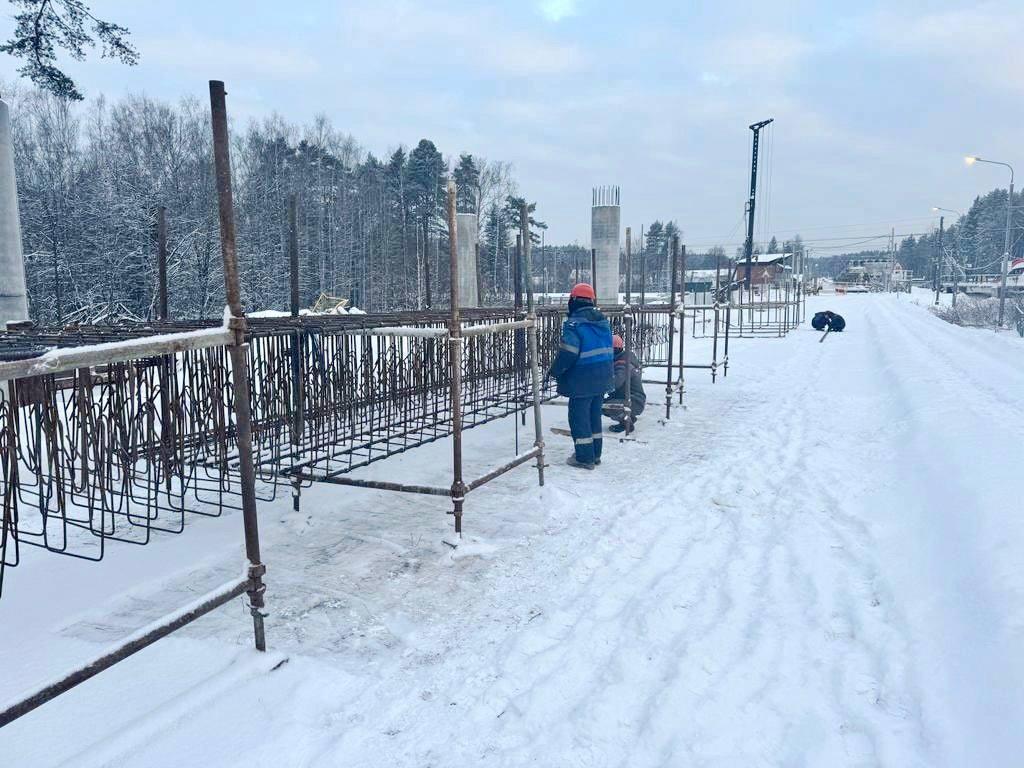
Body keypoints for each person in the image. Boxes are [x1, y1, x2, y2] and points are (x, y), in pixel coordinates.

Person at [548, 283, 614, 470]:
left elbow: (568, 353)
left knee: (579, 418)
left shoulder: (574, 324)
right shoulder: (602, 322)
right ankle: (595, 454)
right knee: (594, 416)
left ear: (574, 301)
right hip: (602, 378)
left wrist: (554, 371)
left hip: (583, 380)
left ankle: (584, 458)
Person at [602, 334, 646, 432]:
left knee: (604, 406)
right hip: (630, 398)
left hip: (634, 401)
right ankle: (628, 417)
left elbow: (615, 382)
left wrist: (599, 386)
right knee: (603, 404)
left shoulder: (623, 364)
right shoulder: (621, 360)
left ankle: (626, 423)